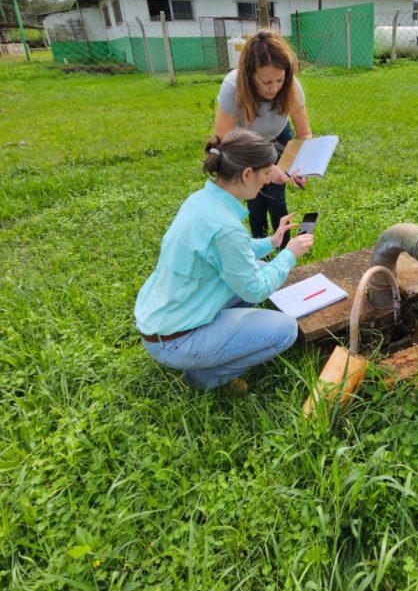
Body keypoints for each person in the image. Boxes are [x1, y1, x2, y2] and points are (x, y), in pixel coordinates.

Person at [134, 128, 314, 391]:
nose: (267, 181)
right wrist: (288, 254)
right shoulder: (224, 227)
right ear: (247, 174)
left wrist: (273, 242)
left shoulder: (201, 201)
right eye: (266, 173)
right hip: (175, 341)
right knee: (285, 330)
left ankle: (214, 343)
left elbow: (232, 251)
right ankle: (207, 376)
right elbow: (255, 289)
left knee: (261, 267)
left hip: (164, 319)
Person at [214, 30, 312, 244]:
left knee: (276, 195)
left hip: (278, 137)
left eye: (280, 80)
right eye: (266, 82)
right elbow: (221, 142)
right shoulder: (234, 87)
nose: (275, 88)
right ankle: (259, 244)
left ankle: (284, 247)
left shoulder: (291, 86)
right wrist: (264, 167)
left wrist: (301, 166)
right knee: (254, 197)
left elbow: (304, 134)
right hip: (243, 145)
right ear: (250, 75)